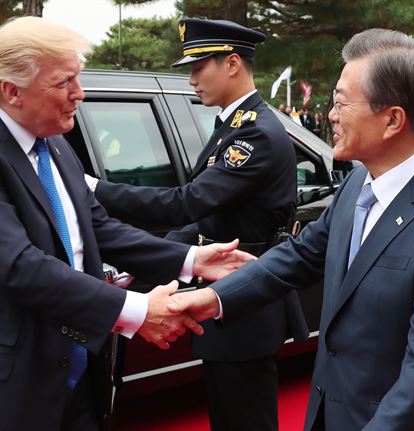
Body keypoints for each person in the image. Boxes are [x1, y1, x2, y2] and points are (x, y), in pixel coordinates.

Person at [169, 28, 414, 430]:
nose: (331, 115)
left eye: (341, 102)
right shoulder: (358, 183)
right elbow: (300, 256)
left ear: (392, 119)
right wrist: (213, 298)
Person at [0, 16, 253, 431]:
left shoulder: (57, 145)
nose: (78, 95)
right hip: (19, 379)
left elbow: (96, 227)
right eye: (64, 82)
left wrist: (191, 259)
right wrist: (136, 310)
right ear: (12, 92)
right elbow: (19, 266)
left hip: (82, 366)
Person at [86, 18, 307, 431]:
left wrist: (94, 188)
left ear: (232, 64)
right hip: (227, 291)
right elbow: (209, 219)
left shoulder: (255, 134)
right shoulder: (235, 124)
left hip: (245, 296)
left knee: (245, 419)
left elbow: (185, 204)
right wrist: (155, 258)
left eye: (197, 67)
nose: (191, 80)